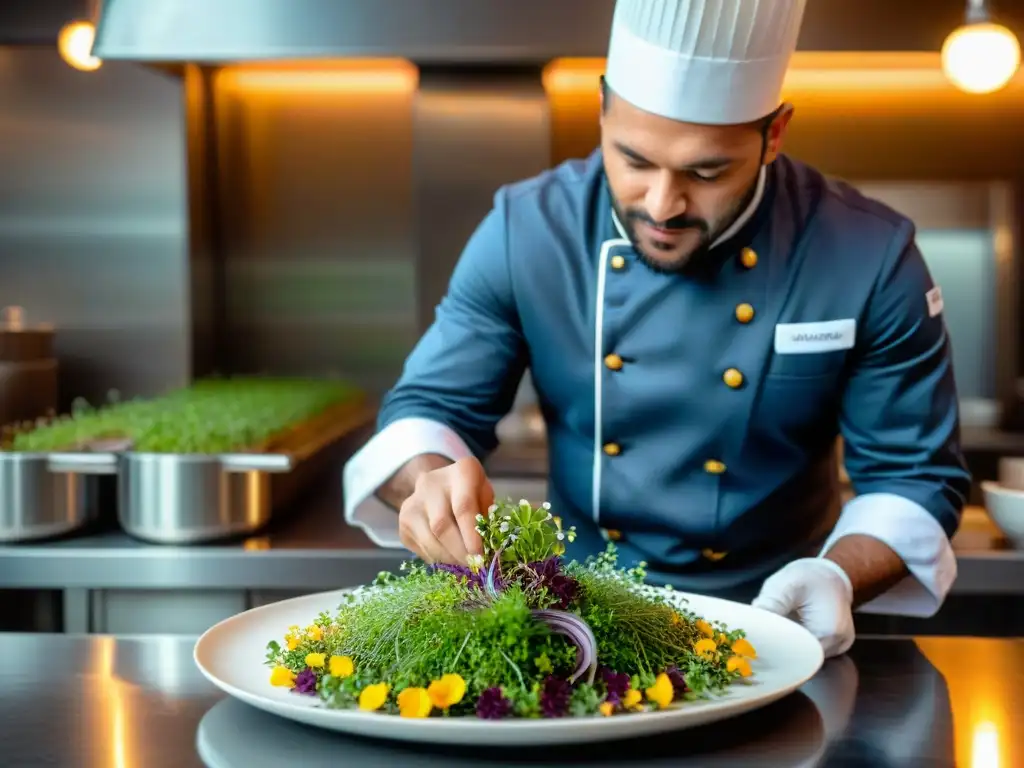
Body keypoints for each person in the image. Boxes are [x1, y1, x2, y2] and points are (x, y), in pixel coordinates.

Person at [342, 0, 971, 658]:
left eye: (707, 172)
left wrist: (835, 575)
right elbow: (428, 411)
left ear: (774, 134)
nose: (663, 205)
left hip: (782, 630)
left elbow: (914, 475)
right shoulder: (529, 231)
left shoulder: (867, 253)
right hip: (578, 634)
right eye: (635, 161)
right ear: (602, 112)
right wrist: (430, 483)